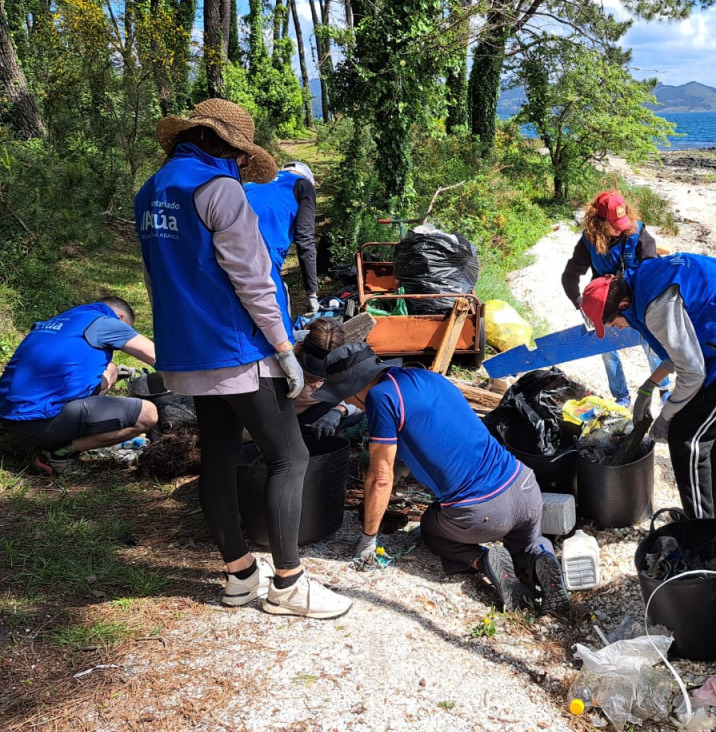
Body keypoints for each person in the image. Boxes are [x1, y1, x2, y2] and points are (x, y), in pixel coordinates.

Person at [135, 98, 351, 619]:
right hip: (239, 350)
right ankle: (289, 585)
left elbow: (157, 276)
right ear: (229, 148)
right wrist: (283, 348)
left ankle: (238, 575)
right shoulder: (220, 189)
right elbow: (253, 279)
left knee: (220, 458)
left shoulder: (152, 191)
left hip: (188, 351)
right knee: (289, 457)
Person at [310, 343, 570, 615]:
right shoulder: (427, 377)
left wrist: (367, 540)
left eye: (345, 396)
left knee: (432, 529)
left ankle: (483, 560)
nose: (348, 403)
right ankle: (544, 557)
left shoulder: (379, 397)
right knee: (528, 542)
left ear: (355, 387)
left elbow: (380, 479)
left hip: (483, 511)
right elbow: (437, 431)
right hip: (524, 486)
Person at [580, 252, 716, 520]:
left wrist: (666, 417)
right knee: (711, 428)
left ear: (623, 304)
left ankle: (700, 530)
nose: (618, 329)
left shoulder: (656, 307)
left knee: (689, 438)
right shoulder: (641, 279)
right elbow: (680, 348)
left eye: (613, 324)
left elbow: (692, 372)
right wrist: (650, 385)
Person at [0, 297, 158, 476]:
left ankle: (63, 436)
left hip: (9, 419)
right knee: (147, 414)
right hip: (38, 422)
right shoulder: (107, 323)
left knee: (111, 369)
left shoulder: (64, 320)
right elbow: (160, 358)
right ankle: (57, 455)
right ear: (119, 317)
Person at [560, 190, 666, 407]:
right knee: (607, 349)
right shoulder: (588, 241)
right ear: (599, 222)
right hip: (605, 303)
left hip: (637, 300)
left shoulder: (637, 234)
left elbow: (653, 268)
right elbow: (570, 275)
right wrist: (580, 303)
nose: (621, 226)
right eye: (614, 223)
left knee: (651, 344)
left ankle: (663, 388)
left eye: (622, 220)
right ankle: (621, 395)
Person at [244, 161, 321, 315]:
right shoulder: (303, 186)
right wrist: (311, 293)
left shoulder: (251, 185)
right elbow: (305, 240)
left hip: (224, 252)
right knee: (278, 316)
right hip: (263, 257)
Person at [292, 318, 365, 447]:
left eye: (322, 377)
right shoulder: (283, 355)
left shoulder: (346, 361)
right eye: (311, 374)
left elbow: (363, 394)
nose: (316, 381)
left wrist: (338, 411)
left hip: (319, 409)